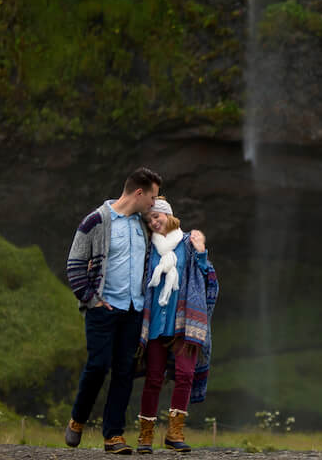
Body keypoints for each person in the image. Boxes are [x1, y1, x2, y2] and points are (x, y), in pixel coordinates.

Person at [64, 166, 162, 454]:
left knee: (124, 371)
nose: (154, 204)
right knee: (97, 366)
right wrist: (91, 298)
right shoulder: (96, 221)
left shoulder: (143, 224)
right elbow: (75, 264)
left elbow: (168, 232)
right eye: (153, 197)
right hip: (103, 309)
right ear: (139, 192)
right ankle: (78, 419)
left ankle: (114, 436)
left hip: (134, 309)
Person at [135, 197, 218, 454]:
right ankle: (145, 437)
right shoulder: (148, 249)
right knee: (153, 378)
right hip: (156, 322)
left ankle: (174, 433)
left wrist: (202, 253)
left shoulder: (189, 244)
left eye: (156, 217)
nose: (153, 222)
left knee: (185, 375)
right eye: (149, 220)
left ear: (169, 216)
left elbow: (209, 279)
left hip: (185, 322)